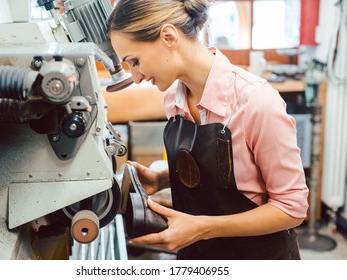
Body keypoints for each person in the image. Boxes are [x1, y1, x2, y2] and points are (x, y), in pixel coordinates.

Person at [107, 0, 309, 260]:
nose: (135, 77)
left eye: (134, 61)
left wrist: (201, 228)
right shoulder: (174, 99)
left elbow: (291, 209)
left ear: (169, 37)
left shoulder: (255, 103)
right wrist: (165, 179)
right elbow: (226, 170)